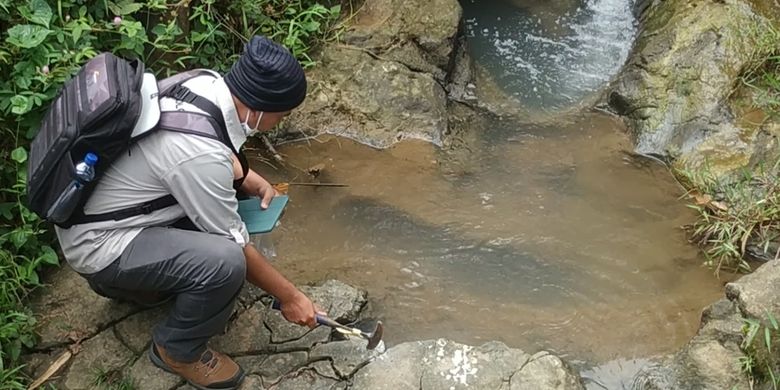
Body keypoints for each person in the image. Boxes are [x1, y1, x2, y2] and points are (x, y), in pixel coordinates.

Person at [54, 36, 317, 389]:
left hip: (102, 213)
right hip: (100, 245)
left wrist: (247, 177)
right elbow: (233, 240)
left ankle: (149, 289)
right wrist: (291, 297)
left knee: (222, 216)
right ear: (261, 108)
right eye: (283, 114)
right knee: (226, 263)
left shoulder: (202, 81)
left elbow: (195, 143)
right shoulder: (200, 155)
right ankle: (177, 348)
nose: (282, 121)